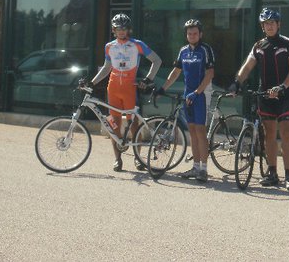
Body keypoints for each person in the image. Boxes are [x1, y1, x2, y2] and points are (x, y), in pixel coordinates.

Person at [231, 7, 289, 191]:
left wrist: (283, 87)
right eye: (266, 23)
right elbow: (247, 67)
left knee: (286, 133)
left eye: (272, 23)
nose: (269, 26)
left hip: (283, 94)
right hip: (266, 95)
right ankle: (272, 173)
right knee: (269, 135)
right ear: (263, 26)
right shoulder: (259, 46)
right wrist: (237, 82)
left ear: (278, 25)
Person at [87, 13, 162, 172]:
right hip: (113, 89)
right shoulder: (109, 46)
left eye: (124, 28)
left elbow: (157, 60)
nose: (121, 31)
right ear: (113, 30)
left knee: (134, 124)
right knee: (114, 124)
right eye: (118, 28)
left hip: (130, 89)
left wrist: (148, 79)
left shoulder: (137, 45)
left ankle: (138, 158)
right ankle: (117, 159)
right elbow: (107, 68)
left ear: (129, 30)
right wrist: (92, 82)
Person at [155, 19, 215, 183]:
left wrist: (197, 92)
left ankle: (203, 169)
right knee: (192, 131)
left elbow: (210, 74)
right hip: (188, 94)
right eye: (189, 33)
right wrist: (163, 88)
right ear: (186, 35)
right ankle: (195, 166)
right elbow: (175, 72)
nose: (192, 36)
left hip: (202, 94)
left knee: (201, 132)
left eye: (195, 33)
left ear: (200, 34)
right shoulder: (183, 51)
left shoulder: (205, 50)